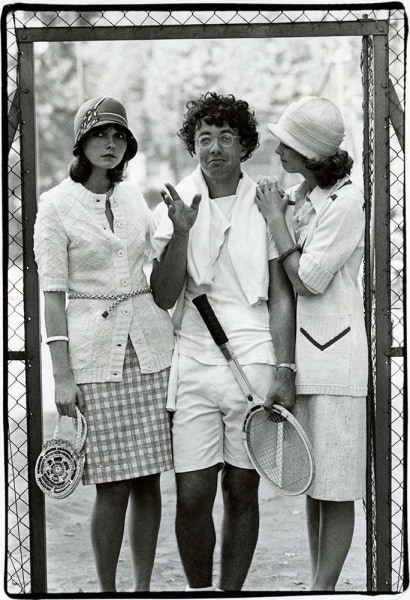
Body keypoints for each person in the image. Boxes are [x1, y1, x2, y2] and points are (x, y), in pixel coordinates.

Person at [150, 91, 296, 592]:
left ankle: (231, 593)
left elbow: (281, 298)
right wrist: (182, 234)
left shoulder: (268, 203)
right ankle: (198, 592)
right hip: (192, 357)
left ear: (245, 145)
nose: (214, 148)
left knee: (240, 490)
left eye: (226, 138)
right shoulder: (173, 206)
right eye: (204, 139)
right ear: (192, 147)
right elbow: (164, 294)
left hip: (255, 360)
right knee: (192, 494)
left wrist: (285, 369)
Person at [33, 96, 175, 592]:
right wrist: (63, 376)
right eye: (99, 135)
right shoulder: (54, 206)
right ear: (81, 144)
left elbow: (156, 267)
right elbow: (52, 299)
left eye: (118, 136)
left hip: (152, 351)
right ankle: (108, 590)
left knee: (150, 478)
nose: (110, 145)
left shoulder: (135, 197)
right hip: (95, 358)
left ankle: (142, 589)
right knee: (112, 483)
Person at [255, 96, 368, 591]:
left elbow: (308, 281)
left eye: (287, 143)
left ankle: (323, 588)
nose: (278, 150)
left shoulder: (346, 203)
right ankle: (315, 583)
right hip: (302, 358)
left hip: (337, 362)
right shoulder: (303, 197)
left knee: (337, 486)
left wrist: (276, 222)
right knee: (312, 482)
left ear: (308, 153)